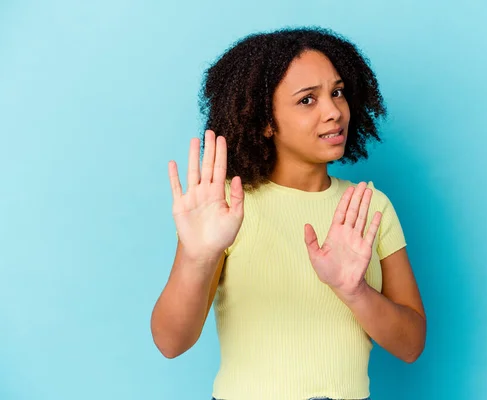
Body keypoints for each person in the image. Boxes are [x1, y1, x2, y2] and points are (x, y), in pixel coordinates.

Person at [150, 26, 426, 400]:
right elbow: (171, 343)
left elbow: (410, 346)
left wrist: (355, 291)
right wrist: (198, 257)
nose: (333, 111)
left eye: (337, 93)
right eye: (307, 100)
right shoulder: (226, 210)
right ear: (265, 121)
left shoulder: (370, 206)